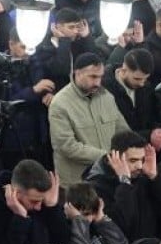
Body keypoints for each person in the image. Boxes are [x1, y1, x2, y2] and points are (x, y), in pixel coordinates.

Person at [48, 53, 132, 185]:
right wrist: (107, 157)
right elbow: (67, 146)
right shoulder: (60, 103)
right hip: (77, 183)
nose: (98, 82)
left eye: (100, 77)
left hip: (107, 177)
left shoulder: (107, 97)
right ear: (77, 73)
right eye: (93, 77)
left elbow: (123, 132)